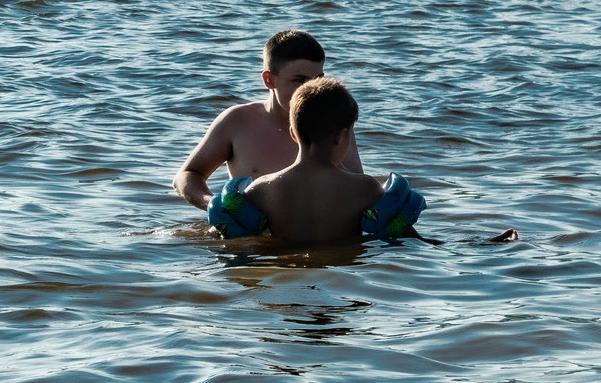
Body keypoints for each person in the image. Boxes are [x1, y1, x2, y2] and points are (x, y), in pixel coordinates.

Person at [210, 77, 424, 244]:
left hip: (287, 275)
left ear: (293, 134)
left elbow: (224, 231)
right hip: (341, 276)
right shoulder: (364, 188)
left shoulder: (263, 189)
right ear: (341, 136)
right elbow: (408, 237)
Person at [172, 28, 359, 209]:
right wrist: (214, 205)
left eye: (317, 79)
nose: (309, 89)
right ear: (269, 80)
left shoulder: (337, 124)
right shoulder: (237, 121)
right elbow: (187, 175)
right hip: (253, 229)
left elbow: (360, 189)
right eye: (299, 80)